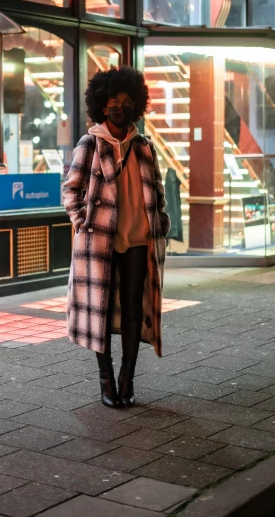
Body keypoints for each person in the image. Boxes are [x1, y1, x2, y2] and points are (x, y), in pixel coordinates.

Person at [63, 66, 170, 408]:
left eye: (126, 101)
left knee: (135, 310)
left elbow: (158, 189)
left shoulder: (144, 147)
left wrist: (161, 221)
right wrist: (83, 222)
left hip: (138, 238)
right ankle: (106, 380)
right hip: (100, 242)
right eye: (113, 101)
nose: (119, 107)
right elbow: (71, 191)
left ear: (136, 104)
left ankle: (128, 379)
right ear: (101, 104)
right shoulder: (90, 143)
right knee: (101, 310)